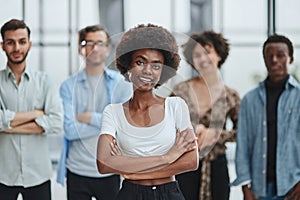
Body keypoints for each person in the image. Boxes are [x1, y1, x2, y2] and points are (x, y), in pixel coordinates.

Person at [97, 24, 199, 200]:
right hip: (130, 194)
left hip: (169, 194)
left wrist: (132, 172)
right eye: (140, 62)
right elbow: (104, 163)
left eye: (156, 66)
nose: (147, 71)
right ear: (128, 66)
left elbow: (191, 161)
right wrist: (168, 157)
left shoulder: (176, 106)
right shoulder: (113, 112)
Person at [56, 25, 132, 200]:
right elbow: (69, 129)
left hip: (109, 169)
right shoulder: (68, 86)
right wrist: (107, 122)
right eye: (89, 43)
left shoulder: (121, 84)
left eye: (100, 43)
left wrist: (88, 117)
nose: (95, 48)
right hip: (77, 170)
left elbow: (123, 125)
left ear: (107, 49)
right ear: (80, 49)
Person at [172, 30, 240, 200]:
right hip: (185, 164)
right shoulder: (181, 90)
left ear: (219, 54)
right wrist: (188, 131)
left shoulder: (231, 96)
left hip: (217, 166)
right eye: (197, 55)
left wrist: (215, 134)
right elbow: (165, 125)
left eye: (207, 52)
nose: (202, 59)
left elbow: (242, 132)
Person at [0, 19, 63, 200]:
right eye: (10, 42)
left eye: (22, 41)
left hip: (38, 175)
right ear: (2, 45)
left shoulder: (45, 81)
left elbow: (56, 122)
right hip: (3, 175)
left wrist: (7, 125)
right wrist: (35, 114)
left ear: (30, 44)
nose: (17, 48)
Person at [232, 34, 300, 200]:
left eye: (280, 55)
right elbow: (243, 143)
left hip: (293, 186)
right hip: (259, 188)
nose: (274, 60)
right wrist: (245, 186)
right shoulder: (249, 100)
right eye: (269, 56)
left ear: (290, 59)